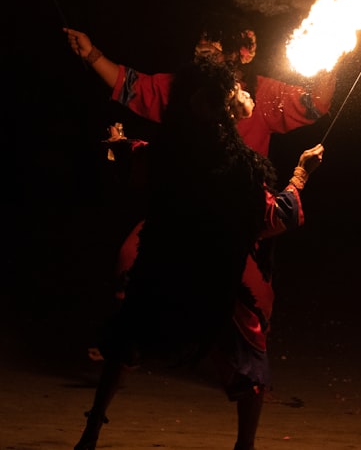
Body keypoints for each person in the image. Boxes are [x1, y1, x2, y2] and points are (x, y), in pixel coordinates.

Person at [74, 55, 325, 450]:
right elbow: (277, 216)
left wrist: (120, 145)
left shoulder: (169, 150)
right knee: (250, 347)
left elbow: (136, 164)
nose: (243, 93)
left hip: (163, 265)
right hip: (216, 274)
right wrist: (300, 175)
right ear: (218, 107)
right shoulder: (238, 166)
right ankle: (245, 447)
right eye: (234, 91)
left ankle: (89, 435)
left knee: (127, 334)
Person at [64, 12, 338, 157]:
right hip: (185, 205)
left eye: (214, 40)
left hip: (236, 215)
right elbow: (130, 86)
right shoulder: (181, 88)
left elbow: (315, 104)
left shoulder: (262, 94)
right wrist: (92, 55)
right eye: (201, 39)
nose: (202, 47)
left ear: (238, 53)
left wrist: (333, 54)